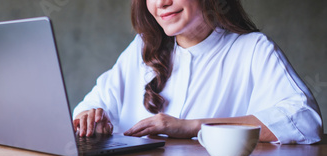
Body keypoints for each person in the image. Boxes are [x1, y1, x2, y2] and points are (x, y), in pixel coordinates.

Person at [73, 0, 323, 144]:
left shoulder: (252, 49)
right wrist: (91, 118)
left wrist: (194, 127)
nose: (162, 3)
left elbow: (305, 119)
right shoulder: (141, 48)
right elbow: (93, 103)